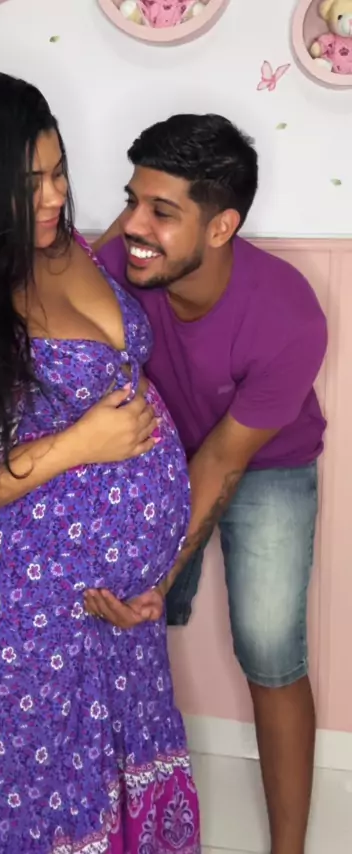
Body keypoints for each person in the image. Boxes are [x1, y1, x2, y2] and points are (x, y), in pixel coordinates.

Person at [0, 72, 201, 853]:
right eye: (30, 185)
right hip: (5, 619)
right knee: (25, 808)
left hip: (109, 613)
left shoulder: (69, 247)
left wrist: (146, 567)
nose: (55, 197)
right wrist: (77, 447)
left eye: (58, 172)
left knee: (111, 782)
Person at [86, 113, 327, 854]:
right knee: (119, 627)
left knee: (271, 651)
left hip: (265, 462)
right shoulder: (112, 267)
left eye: (162, 211)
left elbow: (223, 461)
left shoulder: (289, 314)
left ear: (221, 227)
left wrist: (162, 570)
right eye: (132, 200)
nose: (133, 225)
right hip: (152, 453)